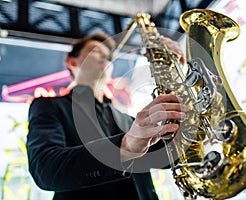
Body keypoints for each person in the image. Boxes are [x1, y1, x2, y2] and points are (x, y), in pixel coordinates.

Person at [26, 33, 188, 200]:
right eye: (95, 51)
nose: (105, 56)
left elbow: (167, 158)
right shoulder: (49, 106)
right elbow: (45, 169)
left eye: (108, 55)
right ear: (72, 62)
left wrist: (174, 71)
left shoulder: (127, 119)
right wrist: (125, 147)